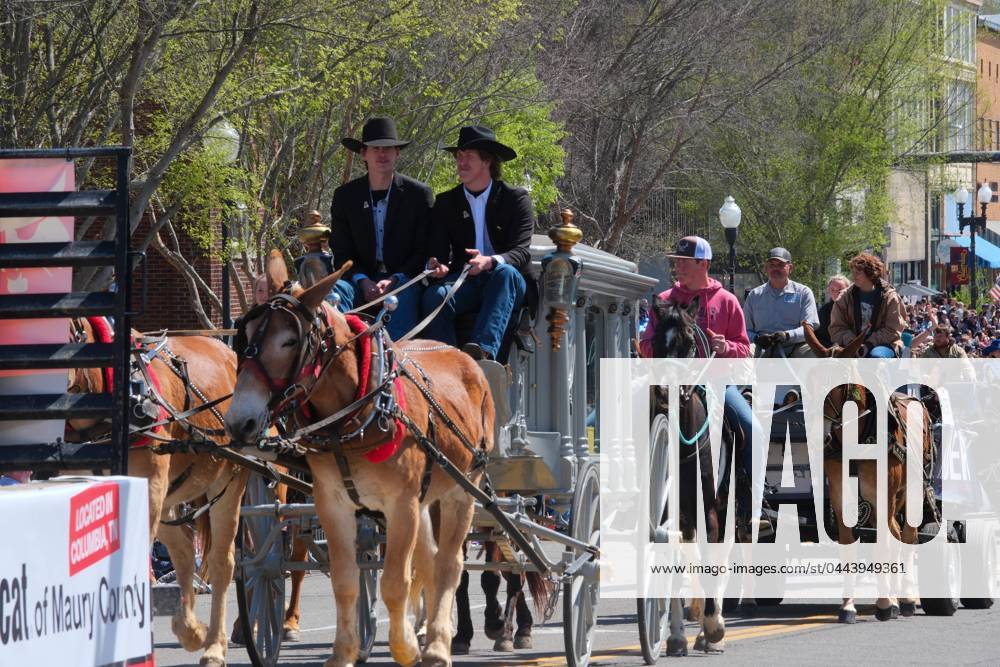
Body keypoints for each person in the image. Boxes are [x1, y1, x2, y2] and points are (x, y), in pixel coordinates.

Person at [639, 236, 759, 485]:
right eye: (677, 261)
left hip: (716, 383)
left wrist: (726, 347)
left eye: (685, 262)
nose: (678, 267)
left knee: (752, 428)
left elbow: (744, 347)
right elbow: (645, 344)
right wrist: (662, 349)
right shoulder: (663, 300)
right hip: (667, 384)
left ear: (703, 264)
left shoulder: (726, 301)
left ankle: (753, 494)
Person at [421, 126, 532, 361]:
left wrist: (490, 261)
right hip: (466, 282)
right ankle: (447, 363)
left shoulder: (516, 199)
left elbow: (521, 252)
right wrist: (437, 265)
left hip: (506, 282)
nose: (461, 163)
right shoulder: (446, 202)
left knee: (505, 273)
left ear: (487, 160)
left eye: (468, 156)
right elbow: (438, 253)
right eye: (458, 157)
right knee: (434, 296)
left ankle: (483, 353)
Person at [330, 117, 434, 340]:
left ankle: (392, 365)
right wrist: (362, 280)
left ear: (397, 152)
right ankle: (339, 358)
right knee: (334, 291)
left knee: (401, 296)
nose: (382, 154)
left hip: (404, 281)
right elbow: (341, 251)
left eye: (388, 148)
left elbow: (423, 248)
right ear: (363, 153)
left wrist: (395, 279)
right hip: (359, 280)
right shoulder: (345, 197)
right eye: (375, 148)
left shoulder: (418, 194)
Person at [742, 247, 819, 357]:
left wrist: (787, 335)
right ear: (766, 268)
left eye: (780, 265)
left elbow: (809, 329)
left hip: (794, 346)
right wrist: (756, 338)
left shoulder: (803, 293)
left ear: (790, 268)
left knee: (811, 352)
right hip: (761, 347)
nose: (775, 269)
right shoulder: (754, 295)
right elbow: (745, 329)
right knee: (742, 352)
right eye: (772, 265)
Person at [829, 252, 906, 358]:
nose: (854, 276)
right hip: (851, 344)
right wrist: (854, 343)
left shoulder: (889, 297)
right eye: (853, 272)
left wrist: (868, 345)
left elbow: (893, 329)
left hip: (884, 344)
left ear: (870, 273)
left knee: (875, 357)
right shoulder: (845, 297)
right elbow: (836, 327)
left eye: (858, 273)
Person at [815, 275, 850, 348]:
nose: (836, 293)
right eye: (833, 290)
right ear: (829, 291)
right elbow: (820, 336)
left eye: (840, 290)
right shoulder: (824, 311)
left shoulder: (855, 308)